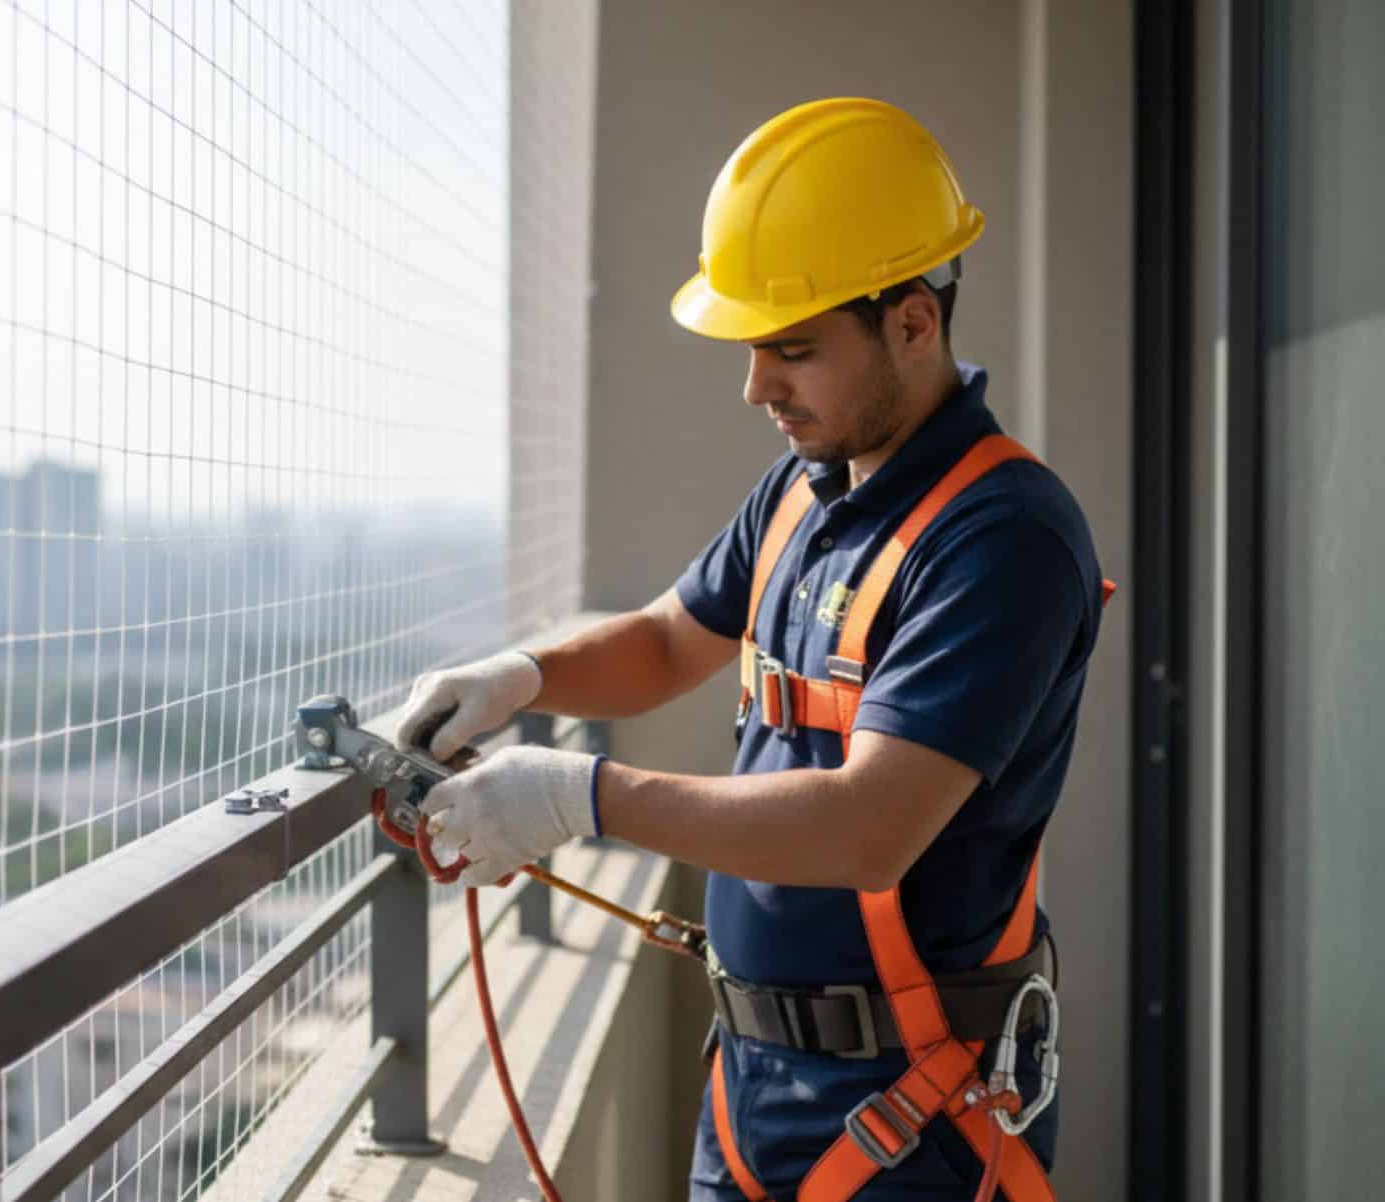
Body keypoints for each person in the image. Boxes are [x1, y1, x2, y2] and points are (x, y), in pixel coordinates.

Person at [400, 98, 1107, 1201]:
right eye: (751, 349)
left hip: (913, 1122)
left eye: (791, 349)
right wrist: (520, 678)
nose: (755, 385)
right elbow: (666, 639)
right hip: (750, 1094)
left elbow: (869, 827)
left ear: (912, 323)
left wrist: (578, 794)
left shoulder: (1000, 537)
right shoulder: (804, 491)